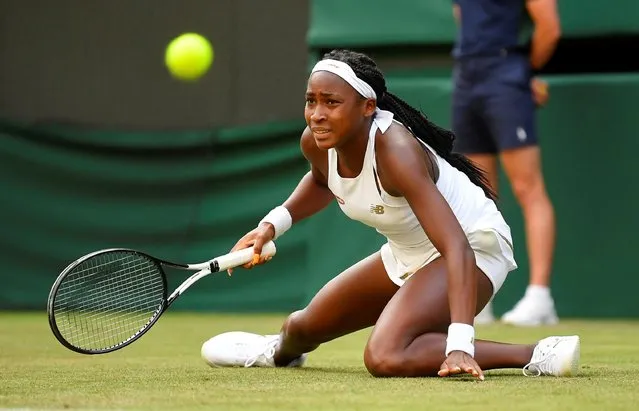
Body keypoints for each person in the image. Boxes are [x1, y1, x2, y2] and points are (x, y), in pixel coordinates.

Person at [200, 49, 579, 380]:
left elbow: (456, 247)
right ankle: (279, 352)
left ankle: (536, 354)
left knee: (385, 354)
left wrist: (461, 343)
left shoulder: (396, 150)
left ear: (368, 107)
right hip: (408, 253)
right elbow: (320, 182)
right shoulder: (316, 142)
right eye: (311, 101)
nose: (317, 114)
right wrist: (270, 226)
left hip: (473, 249)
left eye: (331, 102)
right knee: (299, 327)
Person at [451, 0, 562, 325]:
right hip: (466, 75)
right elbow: (463, 16)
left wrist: (524, 73)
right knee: (478, 194)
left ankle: (540, 297)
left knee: (528, 187)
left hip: (505, 74)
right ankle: (480, 298)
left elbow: (550, 28)